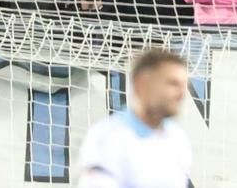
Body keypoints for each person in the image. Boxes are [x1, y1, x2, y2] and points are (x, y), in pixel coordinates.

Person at [76, 50, 193, 188]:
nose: (181, 93)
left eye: (183, 85)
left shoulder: (178, 139)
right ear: (141, 84)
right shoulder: (108, 137)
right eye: (172, 83)